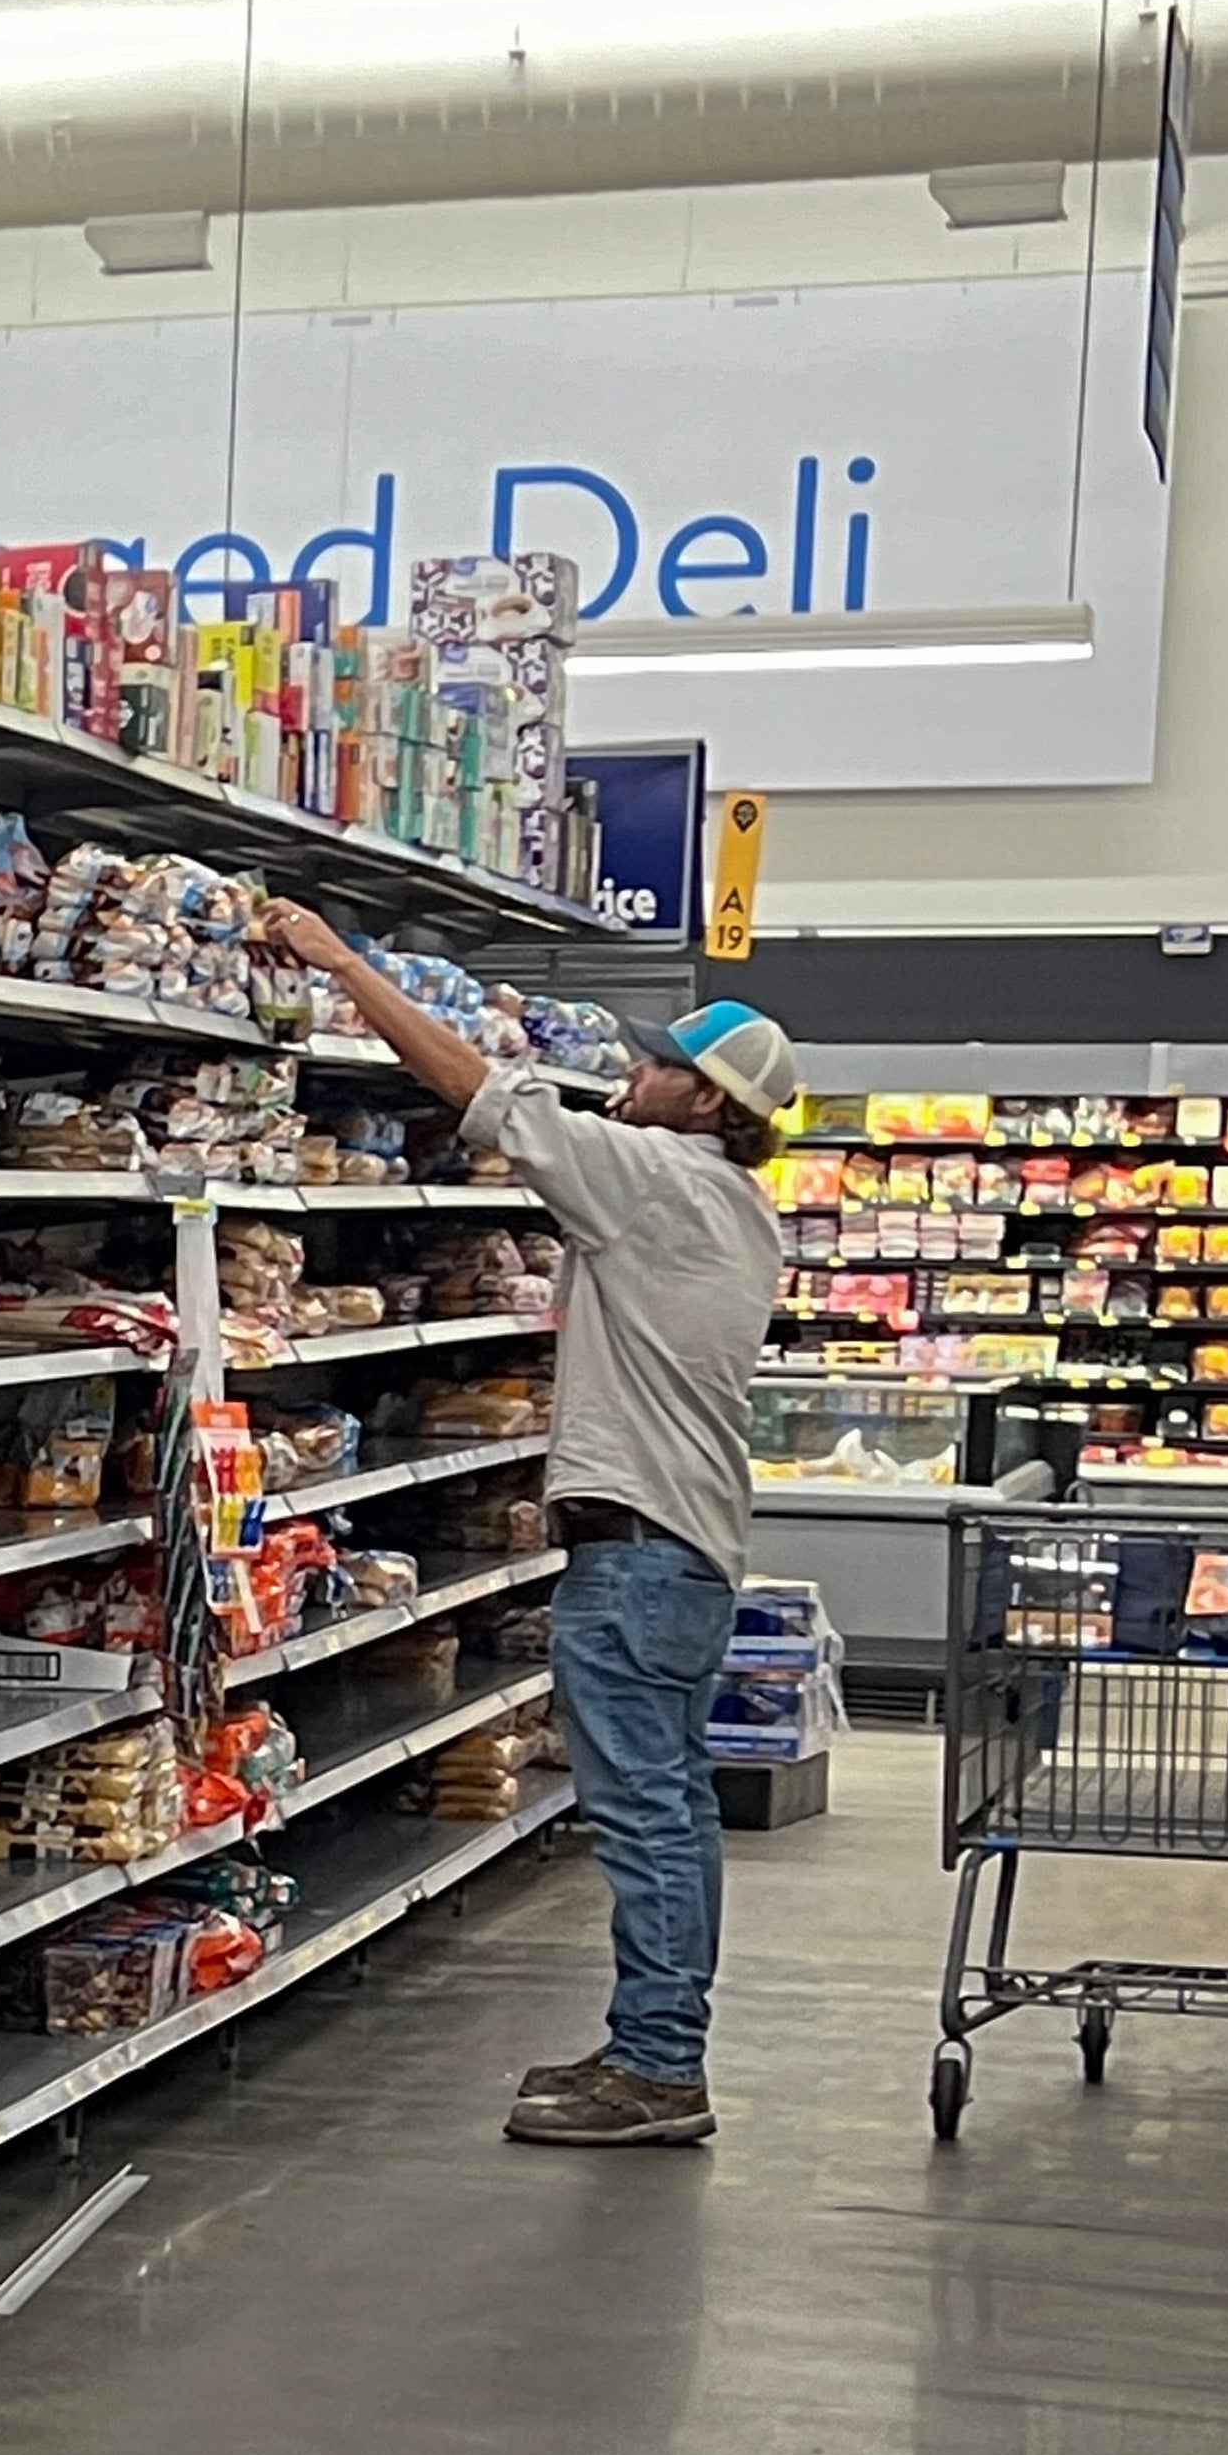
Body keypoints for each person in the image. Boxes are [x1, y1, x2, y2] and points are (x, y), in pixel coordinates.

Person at [256, 908, 795, 2148]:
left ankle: (661, 2070)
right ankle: (653, 2046)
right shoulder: (720, 1199)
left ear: (708, 1105)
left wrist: (344, 966)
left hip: (643, 1553)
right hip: (679, 1548)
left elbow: (477, 1089)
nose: (630, 1077)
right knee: (670, 1808)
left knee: (646, 1809)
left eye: (657, 1067)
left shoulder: (660, 1178)